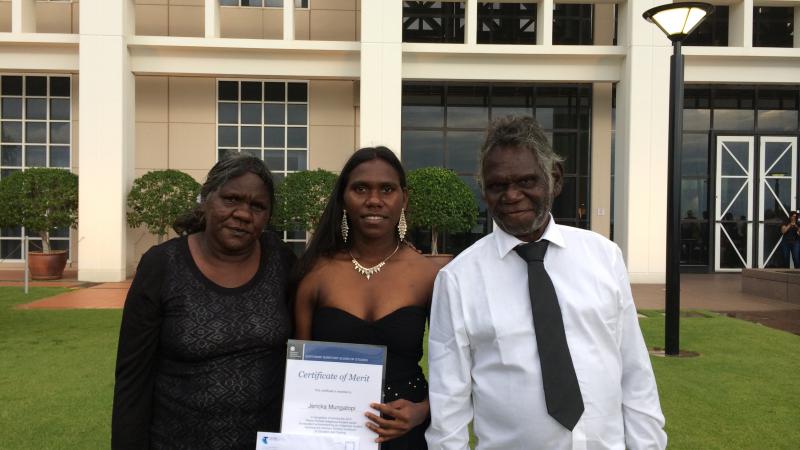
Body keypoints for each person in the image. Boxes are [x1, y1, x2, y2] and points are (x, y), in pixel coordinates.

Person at [426, 116, 667, 449]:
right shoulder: (457, 279)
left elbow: (635, 373)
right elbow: (447, 404)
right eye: (497, 185)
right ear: (484, 191)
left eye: (526, 180)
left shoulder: (604, 257)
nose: (512, 195)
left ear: (554, 179)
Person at [112, 155, 296, 449]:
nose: (243, 214)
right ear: (206, 199)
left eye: (257, 206)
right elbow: (133, 380)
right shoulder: (162, 265)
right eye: (231, 199)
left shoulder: (282, 262)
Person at [293, 146, 438, 449]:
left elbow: (453, 367)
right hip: (332, 434)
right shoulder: (315, 273)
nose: (374, 200)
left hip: (407, 434)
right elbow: (297, 372)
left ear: (404, 200)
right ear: (343, 198)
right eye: (361, 188)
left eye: (387, 189)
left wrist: (422, 410)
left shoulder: (428, 275)